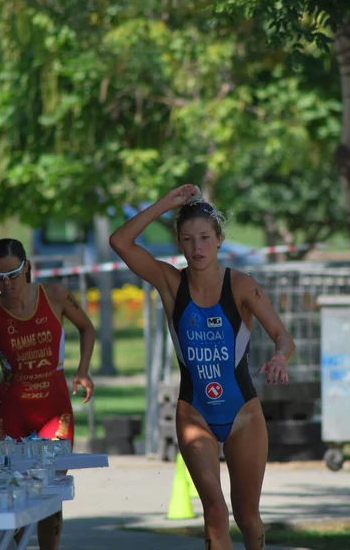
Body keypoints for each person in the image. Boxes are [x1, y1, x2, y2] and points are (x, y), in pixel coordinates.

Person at [110, 184, 295, 550]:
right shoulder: (170, 283)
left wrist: (279, 358)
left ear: (220, 240)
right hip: (194, 414)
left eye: (205, 238)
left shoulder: (241, 285)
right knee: (214, 510)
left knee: (247, 516)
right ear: (179, 244)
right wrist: (163, 204)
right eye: (188, 239)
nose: (197, 248)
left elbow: (282, 336)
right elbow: (120, 242)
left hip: (244, 413)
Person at [0, 238, 95, 550]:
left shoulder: (55, 295)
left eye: (13, 274)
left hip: (54, 407)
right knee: (6, 495)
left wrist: (83, 370)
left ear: (28, 269)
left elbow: (87, 328)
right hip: (12, 408)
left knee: (50, 492)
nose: (7, 284)